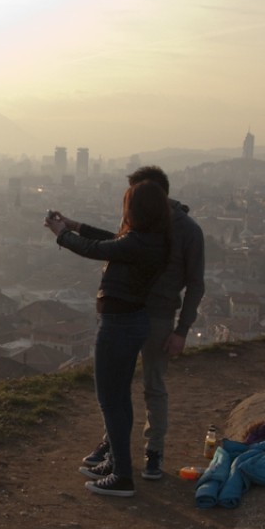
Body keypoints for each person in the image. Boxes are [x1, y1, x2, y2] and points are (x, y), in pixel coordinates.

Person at [59, 166, 205, 481]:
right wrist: (77, 226)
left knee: (151, 386)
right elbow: (118, 243)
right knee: (118, 387)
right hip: (130, 312)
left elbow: (196, 284)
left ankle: (152, 453)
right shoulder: (144, 222)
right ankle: (113, 447)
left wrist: (181, 330)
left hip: (157, 316)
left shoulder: (187, 230)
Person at [46, 180, 171, 497]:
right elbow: (112, 241)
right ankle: (117, 463)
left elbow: (97, 249)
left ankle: (123, 476)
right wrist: (74, 226)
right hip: (130, 322)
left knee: (110, 400)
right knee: (120, 399)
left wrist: (62, 234)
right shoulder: (151, 239)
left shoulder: (139, 243)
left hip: (119, 326)